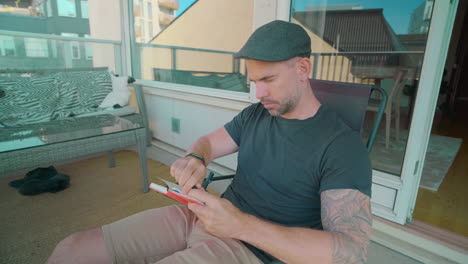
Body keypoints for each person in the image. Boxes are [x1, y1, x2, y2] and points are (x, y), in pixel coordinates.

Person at [47, 20, 372, 264]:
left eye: (268, 80)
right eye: (254, 81)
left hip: (250, 250)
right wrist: (195, 158)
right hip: (205, 216)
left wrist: (241, 225)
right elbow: (207, 143)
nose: (258, 94)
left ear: (303, 68)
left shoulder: (342, 147)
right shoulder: (255, 115)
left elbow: (351, 251)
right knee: (71, 250)